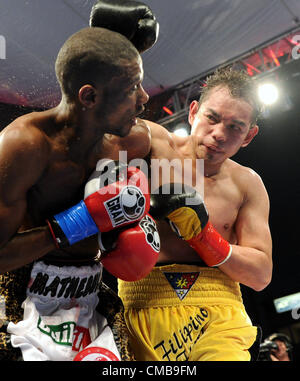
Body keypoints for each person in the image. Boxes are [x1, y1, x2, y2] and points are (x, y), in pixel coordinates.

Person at [0, 20, 159, 361]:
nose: (144, 98)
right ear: (89, 96)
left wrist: (146, 215)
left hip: (91, 296)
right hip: (23, 295)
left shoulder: (134, 140)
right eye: (133, 87)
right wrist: (80, 221)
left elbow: (188, 153)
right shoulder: (24, 146)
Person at [99, 67, 273, 361]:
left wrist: (202, 236)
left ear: (249, 136)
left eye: (235, 127)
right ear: (193, 112)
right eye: (212, 118)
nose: (218, 134)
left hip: (218, 313)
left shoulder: (248, 184)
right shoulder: (153, 144)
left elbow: (260, 274)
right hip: (141, 303)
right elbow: (95, 134)